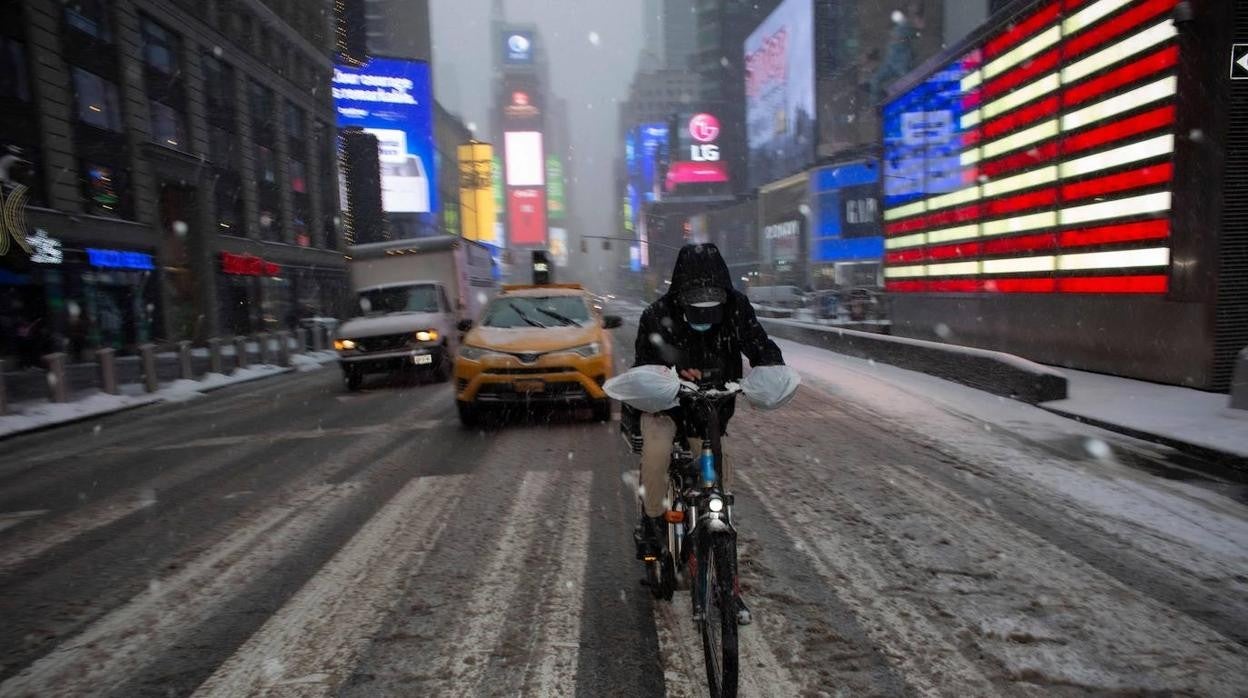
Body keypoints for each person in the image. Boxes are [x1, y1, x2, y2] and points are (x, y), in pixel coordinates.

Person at [630, 243, 786, 624]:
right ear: (681, 294)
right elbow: (644, 366)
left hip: (710, 410)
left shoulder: (737, 310)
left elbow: (759, 345)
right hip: (666, 406)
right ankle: (652, 522)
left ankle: (726, 584)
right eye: (695, 298)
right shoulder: (656, 316)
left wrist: (772, 366)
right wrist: (673, 371)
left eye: (711, 297)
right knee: (656, 456)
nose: (704, 307)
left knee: (719, 474)